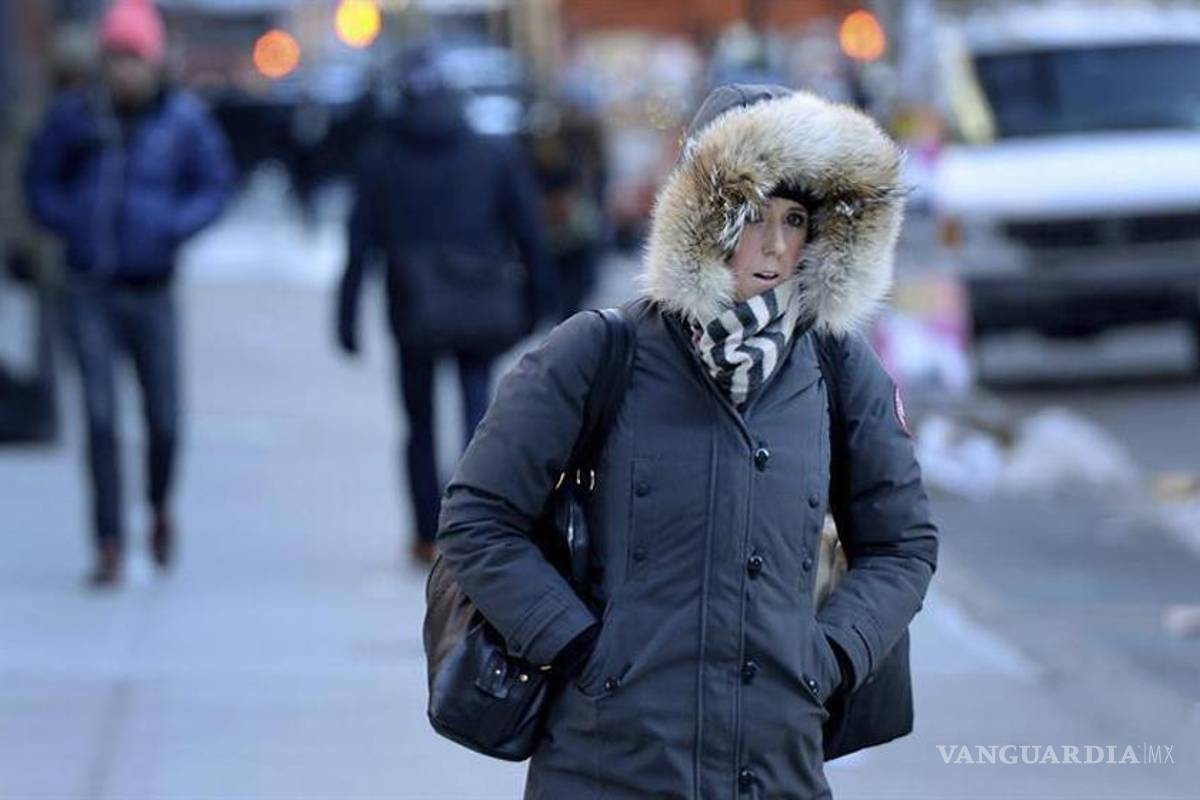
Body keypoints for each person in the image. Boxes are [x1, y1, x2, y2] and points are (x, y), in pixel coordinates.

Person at [436, 84, 939, 798]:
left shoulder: (837, 367)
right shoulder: (598, 352)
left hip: (774, 767)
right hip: (608, 761)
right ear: (701, 218)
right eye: (750, 214)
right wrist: (579, 646)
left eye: (795, 219)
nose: (772, 246)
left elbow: (903, 544)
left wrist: (828, 656)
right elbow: (478, 517)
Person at [24, 0, 234, 586]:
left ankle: (159, 506)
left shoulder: (184, 121)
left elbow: (215, 184)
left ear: (154, 60)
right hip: (90, 287)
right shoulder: (76, 117)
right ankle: (109, 540)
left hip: (153, 288)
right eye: (114, 58)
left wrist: (173, 224)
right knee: (98, 417)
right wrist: (70, 222)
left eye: (134, 58)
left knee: (163, 417)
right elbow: (38, 181)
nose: (124, 71)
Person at [336, 47, 556, 568]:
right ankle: (475, 524)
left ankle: (422, 532)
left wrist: (346, 316)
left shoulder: (382, 158)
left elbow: (359, 242)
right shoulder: (491, 153)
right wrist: (543, 298)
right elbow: (528, 230)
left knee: (418, 423)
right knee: (478, 415)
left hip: (412, 307)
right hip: (478, 305)